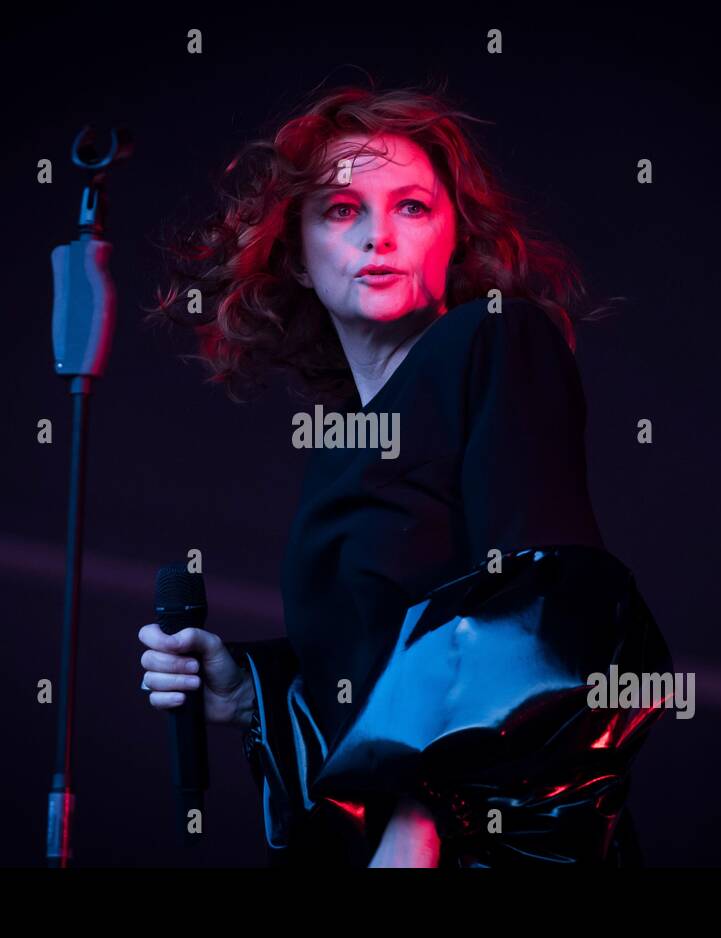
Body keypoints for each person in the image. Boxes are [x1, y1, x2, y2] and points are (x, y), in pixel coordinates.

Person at [137, 83, 669, 867]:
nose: (378, 236)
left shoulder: (495, 343)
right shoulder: (344, 445)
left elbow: (544, 610)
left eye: (413, 207)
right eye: (342, 209)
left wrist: (418, 830)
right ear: (298, 255)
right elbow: (380, 667)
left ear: (456, 239)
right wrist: (253, 690)